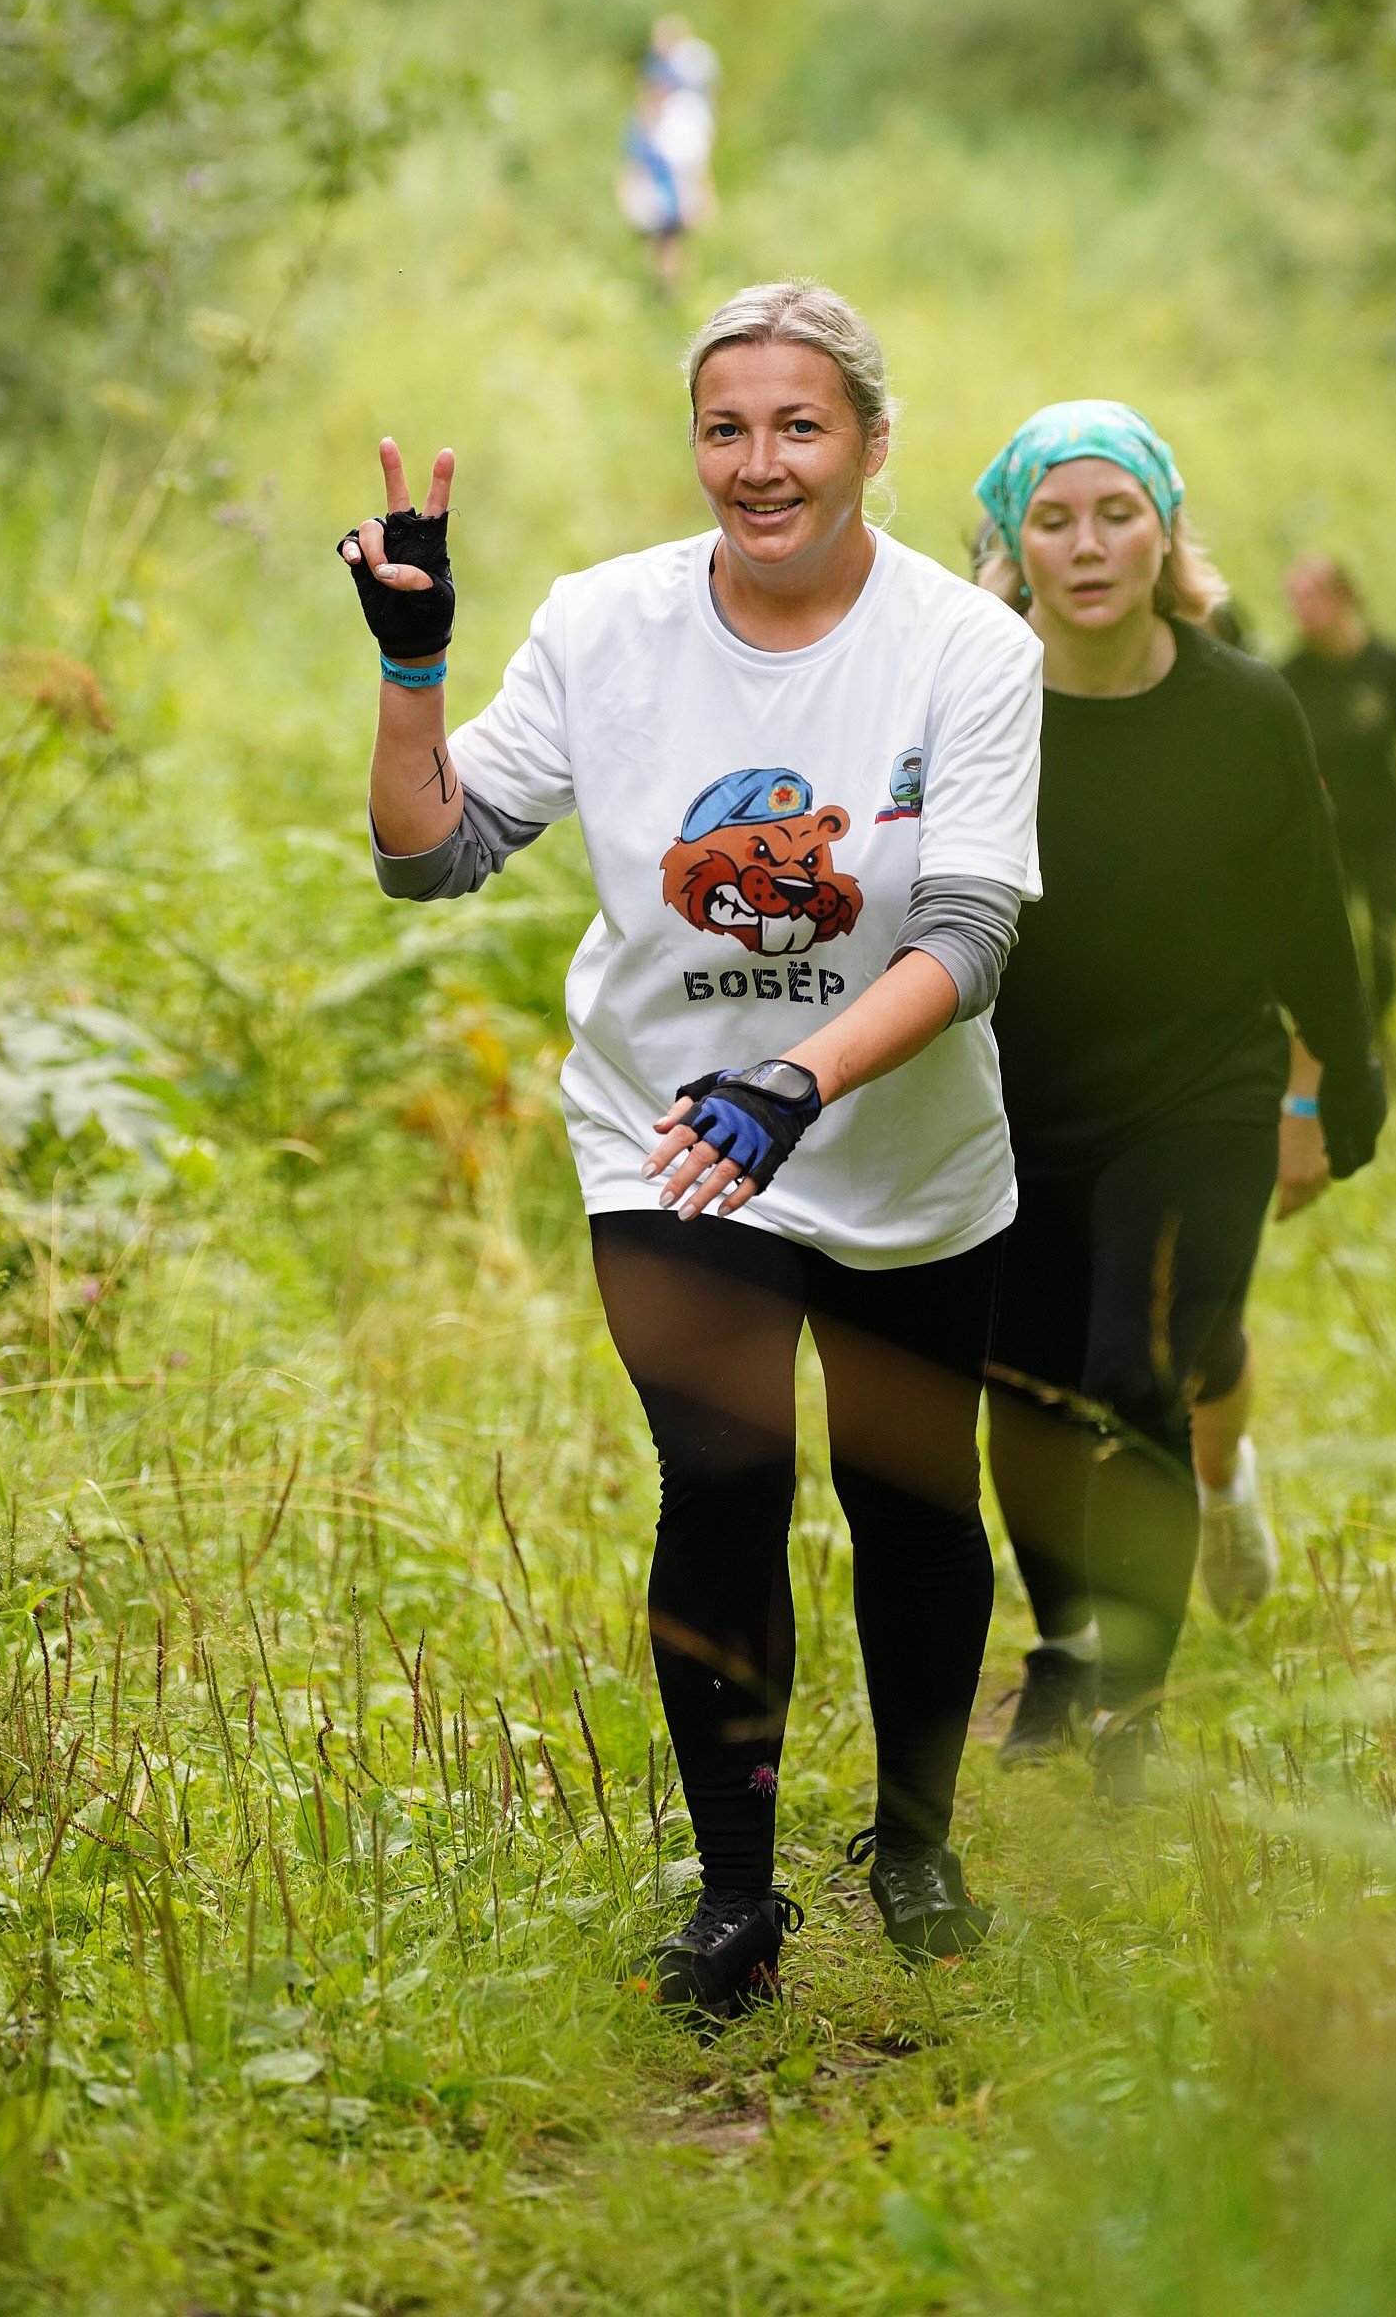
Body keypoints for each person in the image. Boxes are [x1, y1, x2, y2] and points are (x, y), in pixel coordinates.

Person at [340, 280, 1043, 2013]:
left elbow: (965, 941)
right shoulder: (606, 625)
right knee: (722, 1480)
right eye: (727, 427)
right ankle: (737, 1900)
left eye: (801, 426)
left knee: (911, 1499)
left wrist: (798, 1079)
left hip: (902, 1156)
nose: (760, 462)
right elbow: (429, 856)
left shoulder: (968, 647)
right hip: (668, 1140)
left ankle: (916, 1836)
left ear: (873, 445)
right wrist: (412, 670)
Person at [971, 403, 1386, 1803]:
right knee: (1028, 1386)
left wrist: (1338, 1080)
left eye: (1118, 514)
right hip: (1019, 1095)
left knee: (1139, 1364)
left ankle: (1133, 1714)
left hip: (1201, 1088)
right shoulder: (976, 706)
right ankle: (1069, 1644)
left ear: (1165, 529)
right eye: (1055, 520)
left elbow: (1309, 919)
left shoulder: (1244, 709)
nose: (1088, 547)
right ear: (1017, 546)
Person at [1279, 555, 1396, 1032]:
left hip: (1387, 828)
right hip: (1326, 835)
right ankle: (1348, 1040)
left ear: (1345, 597)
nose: (1302, 609)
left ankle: (1383, 1033)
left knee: (1387, 943)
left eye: (1312, 596)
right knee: (1335, 945)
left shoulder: (1388, 664)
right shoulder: (1289, 675)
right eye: (1294, 599)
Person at [615, 15, 719, 290]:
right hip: (660, 175)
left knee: (670, 238)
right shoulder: (665, 81)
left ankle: (673, 290)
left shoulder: (682, 81)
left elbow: (692, 151)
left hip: (671, 174)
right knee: (664, 238)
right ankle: (668, 291)